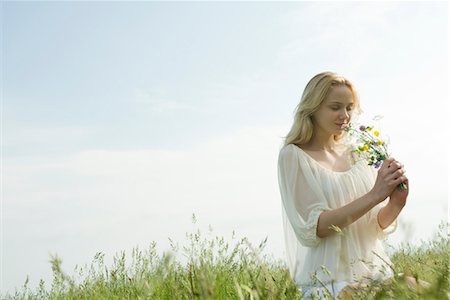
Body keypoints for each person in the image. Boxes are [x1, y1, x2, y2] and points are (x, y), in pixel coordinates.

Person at [277, 71, 411, 299]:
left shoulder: (359, 154)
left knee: (419, 286)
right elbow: (315, 228)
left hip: (371, 272)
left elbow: (374, 224)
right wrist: (375, 194)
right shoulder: (294, 155)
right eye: (335, 107)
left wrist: (396, 203)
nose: (345, 115)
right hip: (330, 280)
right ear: (313, 108)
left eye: (349, 107)